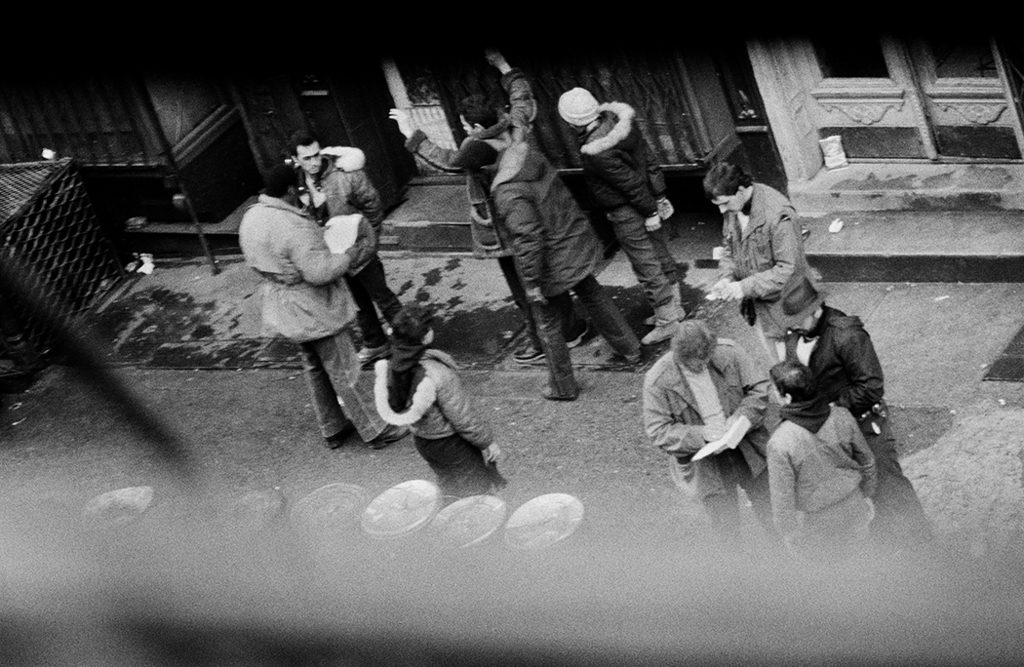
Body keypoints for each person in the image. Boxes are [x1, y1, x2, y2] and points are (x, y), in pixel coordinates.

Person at [455, 58, 643, 401]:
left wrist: (531, 284)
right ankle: (631, 349)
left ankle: (562, 386)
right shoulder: (520, 140)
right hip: (571, 237)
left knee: (547, 322)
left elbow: (528, 238)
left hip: (550, 258)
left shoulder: (507, 191)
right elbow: (522, 98)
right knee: (591, 292)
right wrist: (504, 66)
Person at [388, 101, 588, 365]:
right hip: (533, 212)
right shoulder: (513, 126)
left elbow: (450, 161)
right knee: (547, 275)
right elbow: (521, 104)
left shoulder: (479, 148)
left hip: (503, 226)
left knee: (524, 289)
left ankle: (540, 342)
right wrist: (506, 69)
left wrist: (411, 133)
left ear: (479, 126)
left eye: (464, 125)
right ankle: (573, 328)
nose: (463, 130)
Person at [238, 163, 409, 450]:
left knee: (314, 367)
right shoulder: (291, 225)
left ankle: (332, 427)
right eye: (300, 189)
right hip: (313, 306)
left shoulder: (251, 217)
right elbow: (319, 272)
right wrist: (348, 255)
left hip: (283, 307)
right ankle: (376, 429)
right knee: (344, 367)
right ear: (291, 190)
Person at [775, 277, 935, 553]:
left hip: (862, 423)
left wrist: (834, 409)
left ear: (816, 310)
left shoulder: (846, 334)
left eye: (800, 319)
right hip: (828, 430)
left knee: (888, 487)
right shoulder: (796, 336)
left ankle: (922, 545)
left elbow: (871, 387)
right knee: (854, 493)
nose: (794, 326)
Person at [556, 86, 686, 346]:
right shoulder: (620, 121)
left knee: (646, 265)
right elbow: (648, 160)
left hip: (628, 211)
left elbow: (629, 185)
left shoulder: (597, 150)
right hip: (648, 198)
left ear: (572, 122)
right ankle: (675, 309)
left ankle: (668, 322)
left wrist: (649, 212)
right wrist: (658, 197)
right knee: (659, 254)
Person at [642, 319, 776, 545]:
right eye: (696, 364)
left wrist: (742, 417)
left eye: (707, 359)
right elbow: (658, 431)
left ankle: (786, 557)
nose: (703, 366)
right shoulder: (657, 380)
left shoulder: (729, 352)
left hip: (748, 448)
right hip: (706, 464)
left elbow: (759, 388)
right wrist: (702, 434)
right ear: (679, 355)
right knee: (726, 527)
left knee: (770, 511)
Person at [290, 131, 402, 368]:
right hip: (333, 255)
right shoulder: (296, 185)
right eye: (307, 158)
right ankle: (375, 343)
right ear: (296, 160)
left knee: (381, 295)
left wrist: (370, 240)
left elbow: (373, 204)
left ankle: (410, 341)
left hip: (359, 248)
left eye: (316, 155)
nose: (314, 162)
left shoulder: (344, 175)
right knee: (356, 301)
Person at [373, 303, 507, 499]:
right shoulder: (437, 374)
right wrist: (487, 442)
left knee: (449, 484)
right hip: (451, 444)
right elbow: (463, 418)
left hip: (424, 441)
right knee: (476, 491)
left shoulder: (393, 366)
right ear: (426, 336)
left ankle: (450, 515)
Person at [702, 161, 818, 363]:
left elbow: (788, 269)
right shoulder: (733, 209)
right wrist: (727, 277)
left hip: (793, 304)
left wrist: (744, 287)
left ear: (740, 190)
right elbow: (729, 248)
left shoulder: (777, 214)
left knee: (806, 367)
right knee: (781, 369)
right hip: (763, 308)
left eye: (724, 203)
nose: (721, 211)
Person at [766, 360, 878, 562]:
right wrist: (867, 495)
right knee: (867, 567)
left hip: (816, 523)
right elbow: (867, 460)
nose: (771, 393)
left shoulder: (779, 443)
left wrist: (789, 533)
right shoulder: (841, 416)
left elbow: (782, 498)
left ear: (787, 398)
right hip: (854, 506)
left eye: (774, 389)